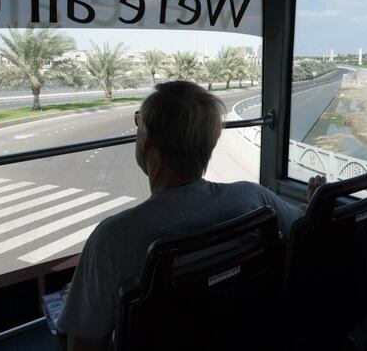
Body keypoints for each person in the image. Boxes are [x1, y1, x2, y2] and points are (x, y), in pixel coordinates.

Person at [58, 81, 324, 350]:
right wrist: (314, 202)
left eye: (140, 123)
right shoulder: (253, 199)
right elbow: (303, 227)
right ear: (210, 142)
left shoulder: (112, 239)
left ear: (146, 138)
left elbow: (83, 344)